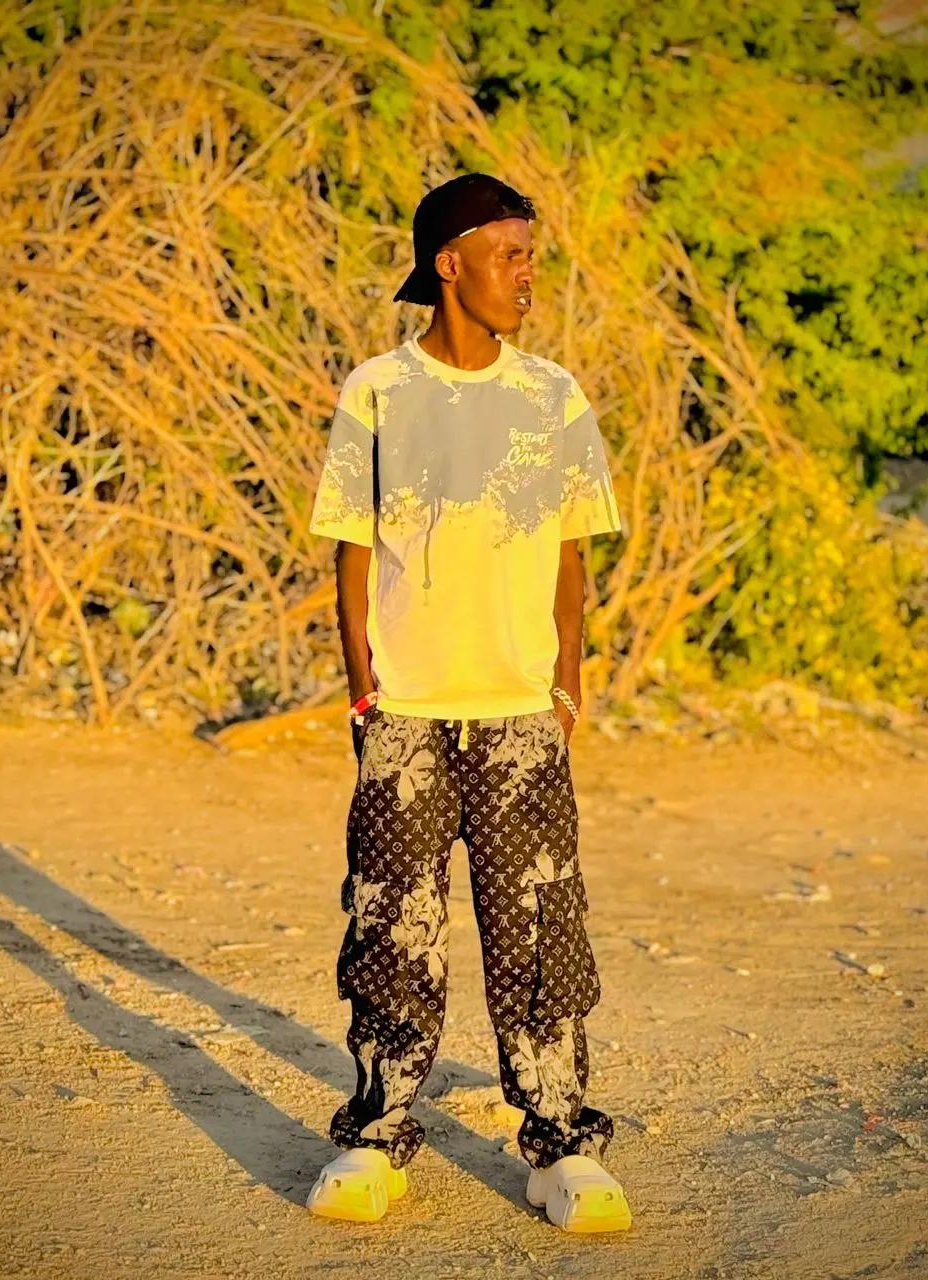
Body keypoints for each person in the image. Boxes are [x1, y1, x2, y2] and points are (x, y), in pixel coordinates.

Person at [304, 173, 632, 1233]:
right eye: (509, 254)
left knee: (539, 933)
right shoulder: (377, 392)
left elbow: (572, 554)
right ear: (450, 265)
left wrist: (566, 685)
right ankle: (375, 1135)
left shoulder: (553, 395)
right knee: (392, 931)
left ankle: (562, 1145)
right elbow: (352, 555)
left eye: (532, 255)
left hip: (521, 717)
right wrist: (364, 691)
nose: (527, 275)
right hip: (404, 715)